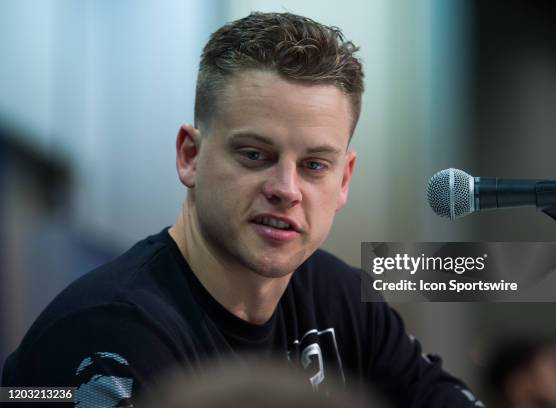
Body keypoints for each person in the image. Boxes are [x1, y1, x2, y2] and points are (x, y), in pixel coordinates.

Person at [2, 12, 482, 408]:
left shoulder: (345, 301)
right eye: (255, 155)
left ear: (344, 180)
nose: (286, 189)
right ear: (190, 156)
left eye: (314, 165)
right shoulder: (107, 334)